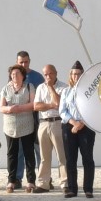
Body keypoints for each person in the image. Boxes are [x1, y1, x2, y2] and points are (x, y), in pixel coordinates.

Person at [0, 64, 41, 193]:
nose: (14, 76)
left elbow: (33, 104)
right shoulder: (5, 89)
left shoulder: (29, 87)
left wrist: (20, 108)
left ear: (22, 75)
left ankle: (30, 181)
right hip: (10, 126)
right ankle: (11, 180)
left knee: (29, 153)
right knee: (12, 154)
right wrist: (10, 109)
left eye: (17, 74)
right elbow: (1, 107)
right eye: (12, 74)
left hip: (26, 125)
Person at [58, 61, 96, 198]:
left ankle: (88, 188)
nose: (76, 76)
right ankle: (72, 188)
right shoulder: (66, 91)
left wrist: (81, 124)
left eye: (79, 74)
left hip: (86, 125)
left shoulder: (90, 91)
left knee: (87, 158)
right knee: (70, 159)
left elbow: (93, 109)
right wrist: (74, 123)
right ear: (70, 75)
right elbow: (62, 111)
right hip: (69, 126)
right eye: (74, 74)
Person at [32, 64, 64, 193]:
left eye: (50, 74)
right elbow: (36, 106)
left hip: (57, 122)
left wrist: (51, 87)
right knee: (44, 156)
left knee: (61, 155)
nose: (47, 77)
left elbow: (59, 103)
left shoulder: (63, 87)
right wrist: (51, 105)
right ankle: (43, 183)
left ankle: (65, 183)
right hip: (43, 123)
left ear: (55, 73)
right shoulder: (40, 87)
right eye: (45, 74)